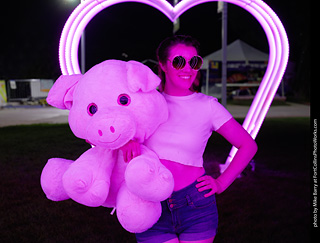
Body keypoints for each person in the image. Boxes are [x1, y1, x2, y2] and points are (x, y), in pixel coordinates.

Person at [120, 35, 258, 243]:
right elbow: (102, 131)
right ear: (163, 66)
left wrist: (221, 183)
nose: (187, 69)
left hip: (196, 205)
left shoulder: (208, 106)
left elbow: (248, 145)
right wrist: (126, 139)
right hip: (149, 204)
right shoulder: (144, 103)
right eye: (178, 61)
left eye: (194, 62)